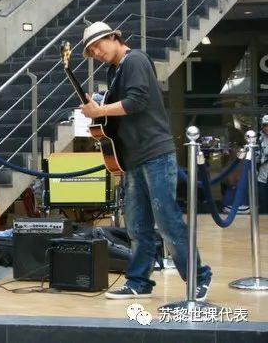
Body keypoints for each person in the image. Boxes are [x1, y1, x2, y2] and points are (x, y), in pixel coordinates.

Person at [79, 21, 212, 300]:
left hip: (155, 153)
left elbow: (136, 101)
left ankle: (199, 277)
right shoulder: (114, 70)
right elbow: (120, 113)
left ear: (113, 37)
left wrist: (100, 110)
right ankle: (138, 281)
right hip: (133, 157)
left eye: (98, 46)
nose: (96, 53)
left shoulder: (135, 60)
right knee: (137, 226)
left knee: (167, 221)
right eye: (91, 52)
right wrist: (100, 112)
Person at [258, 115, 268, 214]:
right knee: (263, 203)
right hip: (263, 178)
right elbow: (255, 157)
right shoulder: (259, 139)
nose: (267, 128)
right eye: (265, 125)